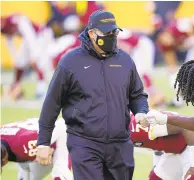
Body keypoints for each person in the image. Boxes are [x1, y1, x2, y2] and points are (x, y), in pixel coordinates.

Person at [36, 10, 149, 180]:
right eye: (107, 32)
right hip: (84, 143)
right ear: (91, 33)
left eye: (114, 32)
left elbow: (137, 94)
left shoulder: (125, 61)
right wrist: (43, 142)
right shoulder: (70, 62)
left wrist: (141, 110)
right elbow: (52, 103)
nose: (111, 36)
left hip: (120, 144)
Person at [130, 111, 194, 180]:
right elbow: (154, 143)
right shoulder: (123, 131)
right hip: (175, 150)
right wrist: (156, 164)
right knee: (156, 178)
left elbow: (187, 127)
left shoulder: (138, 125)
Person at [1, 14, 54, 100]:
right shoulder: (6, 29)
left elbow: (29, 34)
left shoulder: (19, 20)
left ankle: (42, 89)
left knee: (38, 61)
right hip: (32, 38)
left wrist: (34, 53)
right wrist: (15, 59)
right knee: (20, 62)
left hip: (42, 35)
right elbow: (10, 43)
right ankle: (16, 86)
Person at [0, 118, 72, 180]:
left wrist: (44, 145)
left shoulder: (24, 144)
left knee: (60, 175)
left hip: (59, 137)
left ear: (4, 159)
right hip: (33, 137)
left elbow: (62, 126)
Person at [117, 29, 166, 108]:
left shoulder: (117, 33)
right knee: (141, 74)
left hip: (142, 46)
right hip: (139, 47)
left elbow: (127, 46)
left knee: (142, 72)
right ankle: (156, 98)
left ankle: (155, 98)